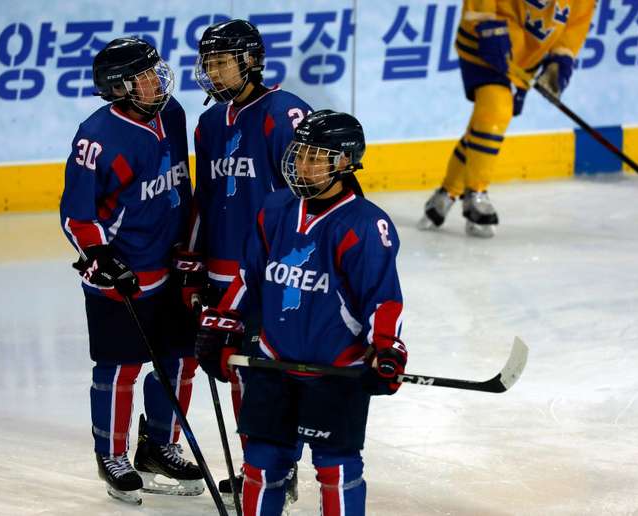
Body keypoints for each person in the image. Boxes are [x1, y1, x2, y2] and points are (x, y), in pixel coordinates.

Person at [195, 110, 408, 516]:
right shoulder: (275, 209)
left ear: (345, 162)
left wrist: (386, 347)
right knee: (260, 466)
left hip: (335, 371)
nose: (302, 164)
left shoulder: (365, 225)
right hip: (273, 364)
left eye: (316, 156)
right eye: (300, 153)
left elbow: (383, 299)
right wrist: (224, 323)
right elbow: (249, 277)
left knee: (336, 470)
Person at [59, 37, 203, 505]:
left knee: (181, 361)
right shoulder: (96, 137)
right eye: (143, 75)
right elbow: (76, 213)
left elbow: (179, 184)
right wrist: (101, 257)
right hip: (122, 275)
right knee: (120, 367)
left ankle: (160, 445)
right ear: (119, 88)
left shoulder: (174, 112)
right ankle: (112, 454)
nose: (155, 79)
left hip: (170, 265)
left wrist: (190, 247)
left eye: (155, 69)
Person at [181, 18, 312, 503]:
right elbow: (205, 197)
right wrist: (194, 264)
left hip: (269, 273)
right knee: (238, 370)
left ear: (250, 61)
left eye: (222, 63)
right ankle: (258, 467)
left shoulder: (285, 113)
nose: (213, 73)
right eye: (208, 64)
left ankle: (281, 464)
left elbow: (304, 197)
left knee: (270, 373)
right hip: (221, 272)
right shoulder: (210, 122)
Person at [418, 0, 595, 237]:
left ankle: (445, 195)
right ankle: (476, 195)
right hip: (482, 41)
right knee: (497, 110)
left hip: (523, 61)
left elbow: (575, 25)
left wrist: (558, 63)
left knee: (485, 126)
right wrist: (487, 21)